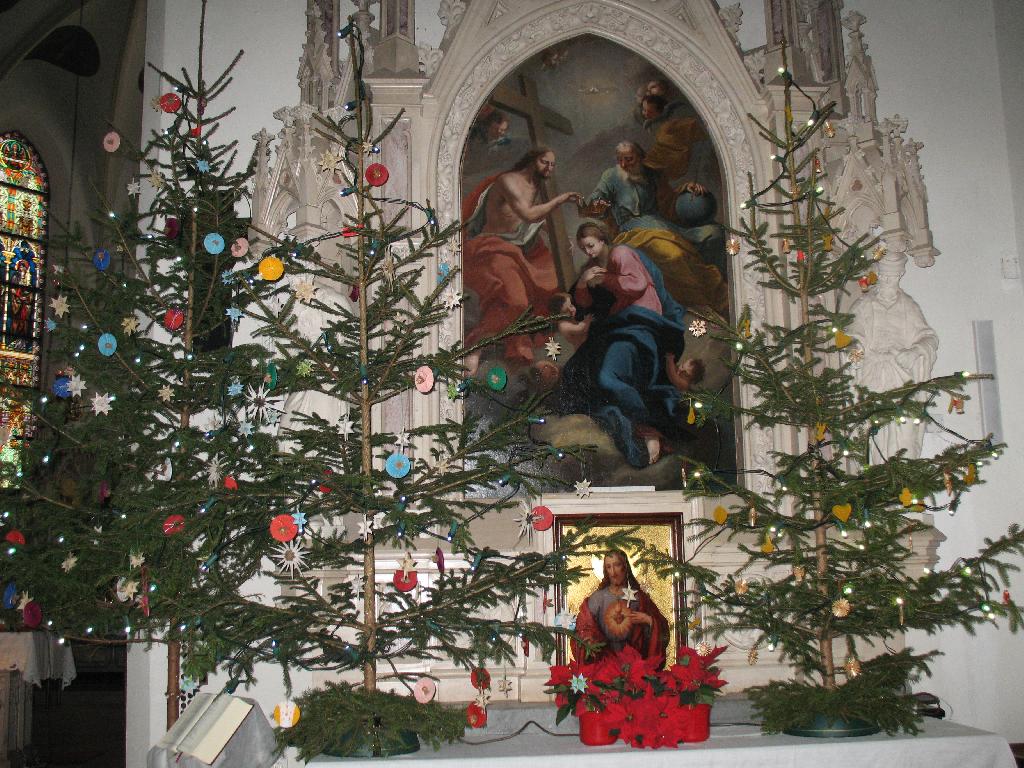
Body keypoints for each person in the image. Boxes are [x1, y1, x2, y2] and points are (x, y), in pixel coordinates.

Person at [557, 222, 697, 467]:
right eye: (583, 248)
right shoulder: (592, 268)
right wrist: (582, 284)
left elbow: (638, 284)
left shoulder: (620, 253)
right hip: (616, 326)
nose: (588, 252)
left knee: (607, 378)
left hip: (639, 320)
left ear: (602, 240)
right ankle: (640, 425)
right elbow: (585, 305)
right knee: (577, 372)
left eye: (590, 245)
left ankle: (649, 426)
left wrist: (605, 279)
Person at [462, 147, 582, 374]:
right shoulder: (508, 181)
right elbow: (528, 214)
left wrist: (557, 235)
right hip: (491, 247)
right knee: (516, 301)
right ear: (532, 160)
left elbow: (530, 220)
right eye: (545, 162)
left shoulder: (536, 187)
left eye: (552, 165)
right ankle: (476, 345)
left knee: (544, 287)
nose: (549, 168)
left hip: (516, 250)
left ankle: (496, 353)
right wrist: (562, 199)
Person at [584, 142, 728, 313]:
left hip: (663, 226)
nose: (623, 165)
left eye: (629, 159)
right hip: (633, 234)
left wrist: (686, 189)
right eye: (620, 160)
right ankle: (711, 297)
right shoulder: (611, 176)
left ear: (640, 158)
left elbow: (667, 202)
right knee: (675, 255)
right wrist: (598, 204)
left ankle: (726, 292)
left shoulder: (651, 174)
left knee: (713, 234)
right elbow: (594, 203)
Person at [848, 255, 938, 462]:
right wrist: (856, 350)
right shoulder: (864, 304)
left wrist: (915, 351)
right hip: (872, 374)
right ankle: (877, 474)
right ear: (878, 275)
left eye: (894, 276)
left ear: (900, 275)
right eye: (885, 276)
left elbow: (929, 337)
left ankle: (902, 472)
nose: (889, 281)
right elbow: (852, 335)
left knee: (905, 433)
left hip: (900, 374)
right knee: (874, 431)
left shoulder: (908, 305)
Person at [572, 549, 669, 666]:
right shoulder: (597, 598)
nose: (613, 572)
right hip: (604, 663)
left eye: (617, 565)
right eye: (608, 567)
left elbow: (661, 628)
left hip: (634, 661)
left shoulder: (639, 598)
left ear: (625, 566)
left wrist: (648, 620)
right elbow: (583, 627)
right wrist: (589, 640)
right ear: (605, 570)